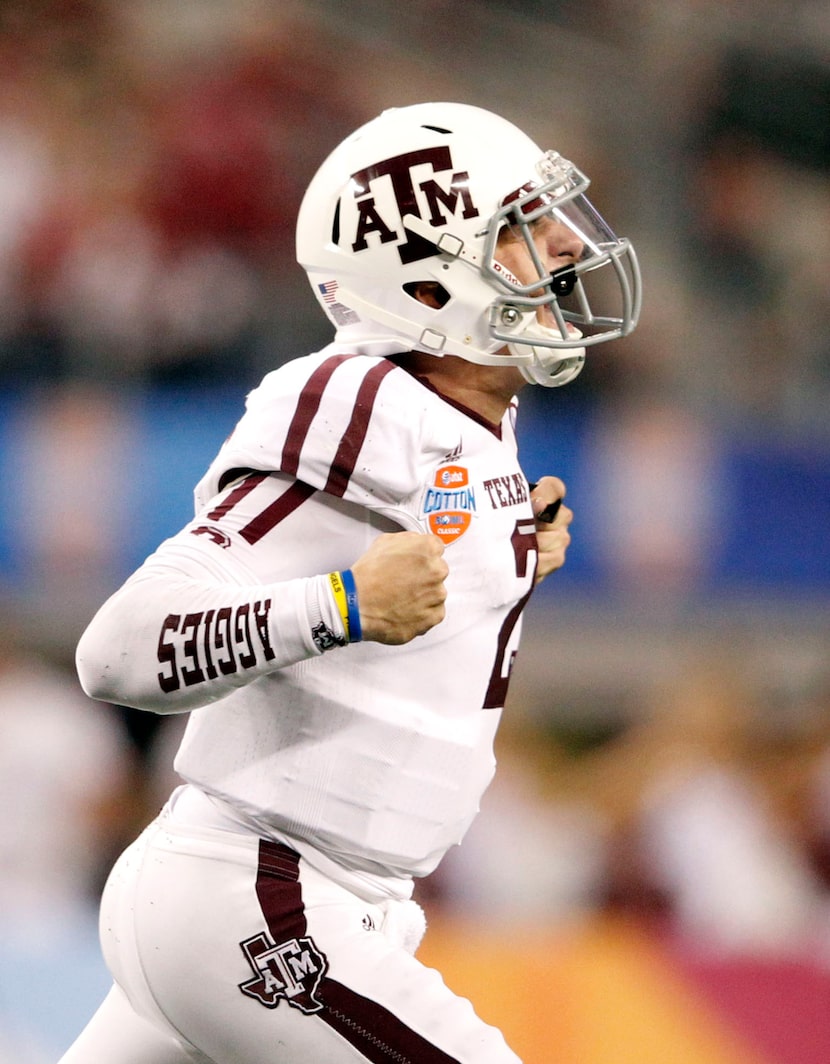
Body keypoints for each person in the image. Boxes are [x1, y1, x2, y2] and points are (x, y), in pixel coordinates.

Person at [60, 101, 641, 1064]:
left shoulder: (455, 413)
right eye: (519, 231)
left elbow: (406, 556)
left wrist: (502, 552)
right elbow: (118, 650)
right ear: (425, 280)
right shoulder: (358, 400)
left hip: (297, 896)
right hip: (262, 895)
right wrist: (342, 607)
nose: (561, 253)